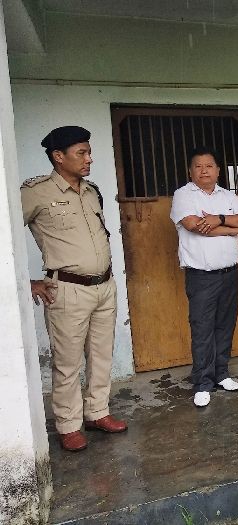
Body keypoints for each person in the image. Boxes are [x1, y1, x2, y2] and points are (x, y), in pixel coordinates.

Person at [21, 126, 127, 452]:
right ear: (58, 156)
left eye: (89, 152)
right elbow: (5, 231)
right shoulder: (35, 193)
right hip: (67, 289)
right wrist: (26, 282)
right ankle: (68, 424)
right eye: (81, 153)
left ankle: (98, 411)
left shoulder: (91, 191)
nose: (89, 159)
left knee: (101, 355)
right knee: (67, 362)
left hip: (104, 286)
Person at [170, 146, 238, 407]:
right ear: (190, 170)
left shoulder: (227, 195)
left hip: (230, 274)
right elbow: (194, 226)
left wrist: (219, 219)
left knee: (225, 325)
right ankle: (203, 382)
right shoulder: (183, 195)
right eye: (198, 166)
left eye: (209, 166)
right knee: (203, 328)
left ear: (217, 170)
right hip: (202, 276)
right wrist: (230, 230)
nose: (204, 170)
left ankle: (221, 373)